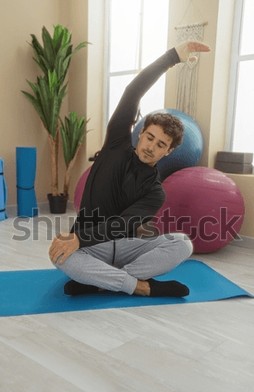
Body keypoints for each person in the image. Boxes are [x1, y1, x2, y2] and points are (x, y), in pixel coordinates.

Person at [49, 41, 210, 297]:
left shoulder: (156, 191)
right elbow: (133, 90)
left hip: (127, 249)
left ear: (168, 151)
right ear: (141, 133)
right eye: (149, 137)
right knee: (60, 255)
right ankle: (141, 286)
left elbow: (122, 224)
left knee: (182, 244)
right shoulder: (115, 144)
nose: (151, 147)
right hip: (90, 245)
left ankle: (99, 281)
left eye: (160, 145)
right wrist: (173, 56)